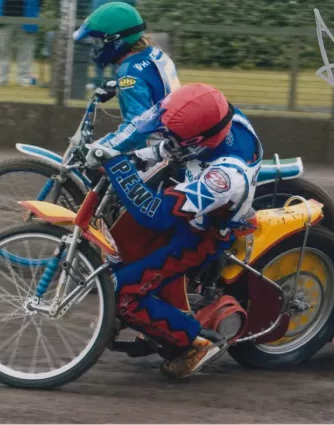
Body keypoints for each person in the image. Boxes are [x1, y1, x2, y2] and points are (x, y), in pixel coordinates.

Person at [85, 83, 263, 379]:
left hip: (197, 237)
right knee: (120, 249)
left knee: (119, 293)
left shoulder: (227, 176)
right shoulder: (217, 111)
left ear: (199, 141)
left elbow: (156, 216)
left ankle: (197, 343)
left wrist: (116, 164)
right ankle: (158, 316)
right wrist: (133, 154)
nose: (167, 135)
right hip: (186, 203)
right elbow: (171, 145)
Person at [73, 1, 181, 152]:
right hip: (174, 137)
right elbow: (154, 88)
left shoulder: (129, 73)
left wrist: (105, 148)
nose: (95, 47)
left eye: (98, 42)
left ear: (115, 40)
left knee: (94, 157)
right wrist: (118, 87)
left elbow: (138, 126)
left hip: (155, 149)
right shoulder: (154, 53)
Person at [0, 0, 42, 86]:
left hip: (27, 19)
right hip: (3, 19)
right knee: (3, 51)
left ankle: (24, 79)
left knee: (25, 52)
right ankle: (1, 79)